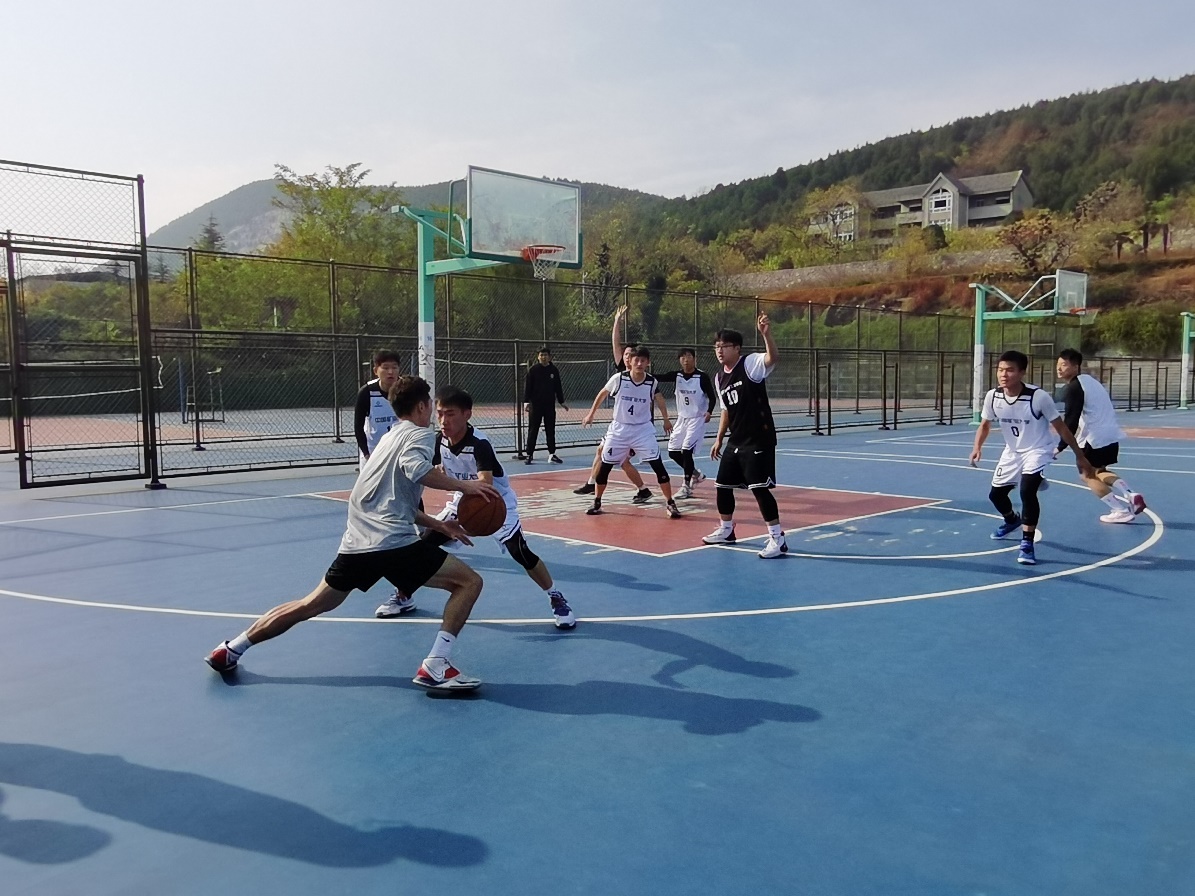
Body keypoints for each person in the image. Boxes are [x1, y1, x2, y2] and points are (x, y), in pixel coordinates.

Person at [204, 375, 502, 691]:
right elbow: (417, 470)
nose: (433, 412)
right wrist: (467, 486)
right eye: (431, 405)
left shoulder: (388, 439)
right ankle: (436, 664)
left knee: (310, 604)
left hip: (358, 542)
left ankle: (231, 648)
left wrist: (438, 524)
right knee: (469, 582)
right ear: (421, 406)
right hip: (392, 543)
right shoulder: (420, 435)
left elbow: (388, 500)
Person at [376, 385, 576, 629]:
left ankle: (555, 596)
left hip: (496, 502)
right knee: (423, 545)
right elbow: (431, 470)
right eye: (439, 414)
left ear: (467, 414)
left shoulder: (479, 443)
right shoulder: (438, 440)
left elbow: (485, 484)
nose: (443, 420)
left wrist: (467, 517)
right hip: (464, 500)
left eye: (450, 414)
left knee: (520, 552)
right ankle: (404, 594)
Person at [969, 350, 1095, 565]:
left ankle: (1027, 544)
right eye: (1000, 369)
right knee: (996, 496)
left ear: (1022, 373)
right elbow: (985, 424)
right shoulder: (993, 396)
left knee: (1027, 491)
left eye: (1010, 370)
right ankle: (1011, 520)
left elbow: (1061, 428)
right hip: (1012, 452)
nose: (1003, 374)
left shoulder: (1038, 397)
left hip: (1038, 449)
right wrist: (977, 447)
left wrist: (1080, 456)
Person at [702, 314, 788, 558]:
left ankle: (777, 538)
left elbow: (772, 358)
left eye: (724, 346)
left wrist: (766, 335)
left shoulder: (750, 364)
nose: (719, 351)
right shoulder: (719, 377)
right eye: (716, 346)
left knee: (759, 488)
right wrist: (719, 438)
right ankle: (726, 530)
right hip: (736, 440)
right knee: (722, 486)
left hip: (758, 438)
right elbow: (726, 410)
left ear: (737, 348)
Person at [581, 345, 681, 519]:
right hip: (619, 429)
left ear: (648, 362)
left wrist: (666, 419)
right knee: (605, 467)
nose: (640, 363)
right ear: (630, 361)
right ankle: (597, 501)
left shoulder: (651, 382)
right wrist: (591, 414)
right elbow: (602, 394)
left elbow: (660, 399)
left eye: (643, 360)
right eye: (637, 360)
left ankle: (670, 503)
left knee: (658, 466)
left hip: (642, 430)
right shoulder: (619, 379)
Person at [1053, 348, 1147, 523]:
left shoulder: (1074, 388)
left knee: (1087, 475)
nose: (1059, 368)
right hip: (1111, 434)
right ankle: (1130, 494)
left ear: (1075, 366)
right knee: (1099, 471)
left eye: (1064, 365)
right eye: (1058, 364)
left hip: (1094, 438)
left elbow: (1071, 420)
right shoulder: (1090, 381)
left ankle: (1119, 510)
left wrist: (1060, 446)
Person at [573, 305, 651, 502]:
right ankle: (592, 483)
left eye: (630, 355)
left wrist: (665, 418)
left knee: (623, 462)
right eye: (625, 355)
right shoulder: (621, 372)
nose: (626, 357)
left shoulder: (643, 376)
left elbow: (656, 395)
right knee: (602, 452)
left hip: (636, 428)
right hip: (620, 426)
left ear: (638, 359)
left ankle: (642, 489)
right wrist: (617, 321)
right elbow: (616, 344)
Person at [654, 348, 717, 498]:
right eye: (682, 357)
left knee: (686, 450)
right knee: (673, 452)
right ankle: (696, 474)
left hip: (697, 418)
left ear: (694, 359)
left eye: (688, 356)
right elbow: (659, 377)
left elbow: (712, 397)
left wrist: (709, 411)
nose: (685, 359)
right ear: (679, 360)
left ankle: (686, 486)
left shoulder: (702, 377)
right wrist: (640, 371)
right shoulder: (677, 376)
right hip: (682, 419)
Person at [353, 350, 401, 464]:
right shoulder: (367, 392)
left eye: (394, 367)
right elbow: (358, 427)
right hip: (373, 453)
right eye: (385, 368)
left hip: (400, 453)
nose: (390, 372)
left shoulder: (406, 389)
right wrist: (366, 454)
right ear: (376, 371)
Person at [522, 346, 568, 465]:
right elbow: (528, 387)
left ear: (549, 357)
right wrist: (526, 402)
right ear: (538, 357)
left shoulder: (554, 370)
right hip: (535, 406)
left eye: (546, 355)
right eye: (541, 355)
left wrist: (561, 401)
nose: (543, 357)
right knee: (533, 430)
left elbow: (558, 387)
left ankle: (552, 454)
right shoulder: (533, 370)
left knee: (550, 430)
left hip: (549, 406)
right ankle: (529, 454)